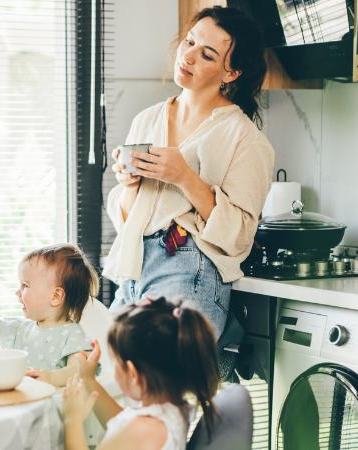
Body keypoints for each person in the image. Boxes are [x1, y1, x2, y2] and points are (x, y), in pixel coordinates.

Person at [104, 5, 275, 342]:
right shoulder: (147, 119)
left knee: (163, 386)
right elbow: (126, 219)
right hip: (135, 266)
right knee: (110, 377)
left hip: (188, 268)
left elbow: (240, 235)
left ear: (232, 73)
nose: (190, 56)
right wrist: (129, 184)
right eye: (189, 42)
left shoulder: (244, 138)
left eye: (208, 55)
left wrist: (185, 177)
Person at [62, 297, 219, 450]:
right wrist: (88, 379)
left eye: (116, 363)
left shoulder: (143, 431)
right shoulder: (171, 409)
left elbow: (130, 432)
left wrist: (72, 420)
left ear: (133, 374)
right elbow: (120, 422)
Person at [0, 244, 99, 386]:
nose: (18, 292)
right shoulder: (19, 329)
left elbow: (79, 370)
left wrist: (51, 378)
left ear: (55, 296)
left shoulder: (72, 335)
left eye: (25, 285)